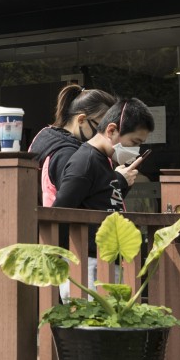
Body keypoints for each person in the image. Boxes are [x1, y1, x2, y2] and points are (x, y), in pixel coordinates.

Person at [54, 98, 153, 289]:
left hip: (105, 263)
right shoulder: (85, 162)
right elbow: (59, 212)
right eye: (134, 142)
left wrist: (121, 183)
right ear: (111, 130)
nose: (135, 149)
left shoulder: (104, 162)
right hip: (87, 266)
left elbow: (101, 201)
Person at [29, 85, 116, 207]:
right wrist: (119, 182)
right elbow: (80, 204)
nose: (107, 135)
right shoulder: (68, 154)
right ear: (81, 120)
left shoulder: (46, 137)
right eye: (101, 127)